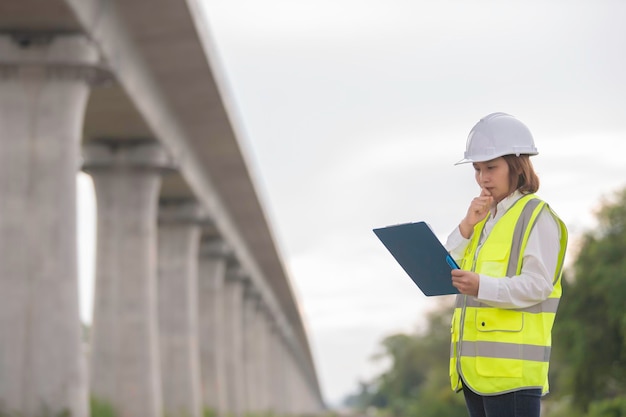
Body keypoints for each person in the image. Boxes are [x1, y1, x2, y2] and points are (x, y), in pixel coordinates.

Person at [445, 112, 568, 417]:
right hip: (475, 374)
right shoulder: (485, 220)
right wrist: (466, 225)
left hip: (511, 376)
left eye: (491, 167)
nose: (483, 178)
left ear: (516, 165)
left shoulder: (536, 217)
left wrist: (481, 285)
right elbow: (448, 266)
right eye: (477, 169)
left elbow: (539, 285)